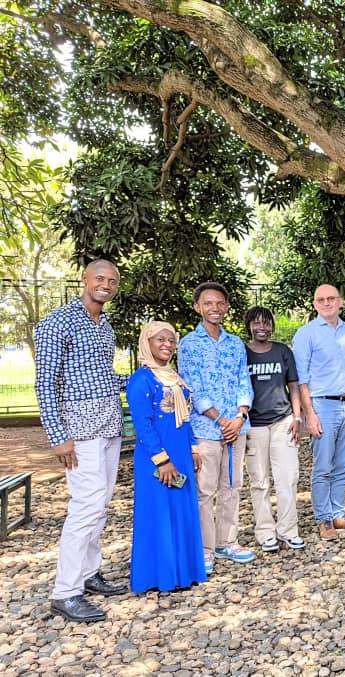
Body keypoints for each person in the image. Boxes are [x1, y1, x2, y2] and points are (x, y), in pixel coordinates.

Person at [35, 260, 128, 623]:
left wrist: (149, 378)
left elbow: (102, 376)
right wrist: (58, 436)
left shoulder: (105, 325)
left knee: (100, 504)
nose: (106, 285)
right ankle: (65, 592)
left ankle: (89, 573)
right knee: (86, 505)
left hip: (109, 424)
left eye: (112, 281)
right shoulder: (58, 322)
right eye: (100, 278)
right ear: (84, 279)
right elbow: (45, 383)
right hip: (79, 429)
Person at [179, 282, 255, 572]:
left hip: (236, 428)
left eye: (220, 303)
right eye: (208, 303)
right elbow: (193, 388)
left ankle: (227, 542)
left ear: (226, 307)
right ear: (197, 307)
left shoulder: (235, 343)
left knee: (232, 486)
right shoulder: (189, 344)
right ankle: (205, 549)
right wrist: (222, 420)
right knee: (205, 490)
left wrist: (240, 416)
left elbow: (243, 381)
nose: (215, 308)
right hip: (206, 429)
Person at [126, 321, 206, 593]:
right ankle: (160, 577)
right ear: (147, 342)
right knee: (160, 512)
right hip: (157, 457)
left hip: (181, 453)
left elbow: (185, 418)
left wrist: (194, 448)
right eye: (160, 339)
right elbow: (143, 424)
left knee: (181, 510)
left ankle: (185, 573)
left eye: (171, 340)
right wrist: (162, 460)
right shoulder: (142, 380)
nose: (167, 345)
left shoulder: (174, 376)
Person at [292, 284, 345, 540]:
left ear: (340, 302)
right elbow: (302, 378)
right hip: (323, 405)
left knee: (343, 464)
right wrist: (309, 413)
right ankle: (324, 518)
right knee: (323, 465)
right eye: (321, 300)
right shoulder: (306, 334)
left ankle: (338, 515)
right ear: (314, 304)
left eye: (331, 298)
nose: (326, 303)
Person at [243, 307, 306, 552]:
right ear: (249, 325)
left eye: (267, 323)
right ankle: (265, 532)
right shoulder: (242, 352)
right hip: (253, 424)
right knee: (259, 481)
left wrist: (297, 417)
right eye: (257, 323)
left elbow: (294, 384)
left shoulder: (282, 351)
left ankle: (288, 530)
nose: (262, 327)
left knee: (288, 478)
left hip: (283, 421)